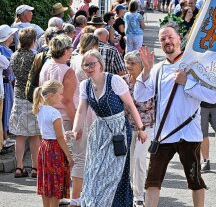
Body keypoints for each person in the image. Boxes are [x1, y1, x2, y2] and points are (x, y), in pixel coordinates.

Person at [134, 23, 216, 207]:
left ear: (179, 38)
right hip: (163, 135)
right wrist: (146, 70)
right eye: (162, 39)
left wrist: (187, 82)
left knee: (195, 181)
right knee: (152, 182)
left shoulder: (195, 65)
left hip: (189, 134)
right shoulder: (157, 69)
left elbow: (212, 97)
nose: (167, 41)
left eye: (170, 37)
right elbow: (139, 96)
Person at [72, 49, 147, 206]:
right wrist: (75, 130)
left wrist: (140, 128)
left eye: (92, 64)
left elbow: (131, 106)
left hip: (118, 131)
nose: (89, 68)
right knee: (94, 172)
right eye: (86, 65)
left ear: (101, 64)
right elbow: (81, 110)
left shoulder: (114, 81)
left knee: (114, 173)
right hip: (99, 132)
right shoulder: (85, 85)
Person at [69, 34, 99, 206]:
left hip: (78, 105)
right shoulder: (87, 61)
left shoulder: (74, 59)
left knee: (80, 155)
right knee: (84, 156)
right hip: (85, 108)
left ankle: (78, 195)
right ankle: (78, 197)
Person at [33, 80, 73, 207]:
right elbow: (59, 137)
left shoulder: (40, 109)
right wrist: (69, 156)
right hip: (54, 149)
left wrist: (64, 133)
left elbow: (51, 131)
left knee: (46, 182)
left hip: (44, 147)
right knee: (55, 184)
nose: (62, 96)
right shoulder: (54, 113)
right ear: (51, 95)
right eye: (60, 94)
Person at [122, 51, 155, 207]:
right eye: (126, 62)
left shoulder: (150, 82)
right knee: (128, 162)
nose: (128, 66)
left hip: (146, 127)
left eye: (132, 63)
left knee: (139, 159)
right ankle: (129, 191)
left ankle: (139, 195)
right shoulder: (122, 82)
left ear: (142, 65)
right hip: (127, 128)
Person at [9, 27, 41, 178]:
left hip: (18, 96)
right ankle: (35, 168)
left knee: (20, 135)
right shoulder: (36, 57)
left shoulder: (14, 55)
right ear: (33, 41)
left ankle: (19, 167)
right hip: (32, 97)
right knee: (34, 135)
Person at [39, 34, 78, 132]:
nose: (72, 50)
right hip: (65, 118)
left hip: (48, 114)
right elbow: (67, 101)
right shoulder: (68, 72)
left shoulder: (46, 65)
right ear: (65, 51)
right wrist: (76, 124)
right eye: (71, 48)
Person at [0, 25, 18, 148]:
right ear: (7, 37)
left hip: (6, 85)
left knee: (6, 110)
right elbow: (8, 71)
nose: (13, 36)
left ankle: (5, 136)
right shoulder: (4, 51)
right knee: (6, 110)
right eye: (11, 35)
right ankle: (5, 137)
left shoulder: (4, 49)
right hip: (6, 85)